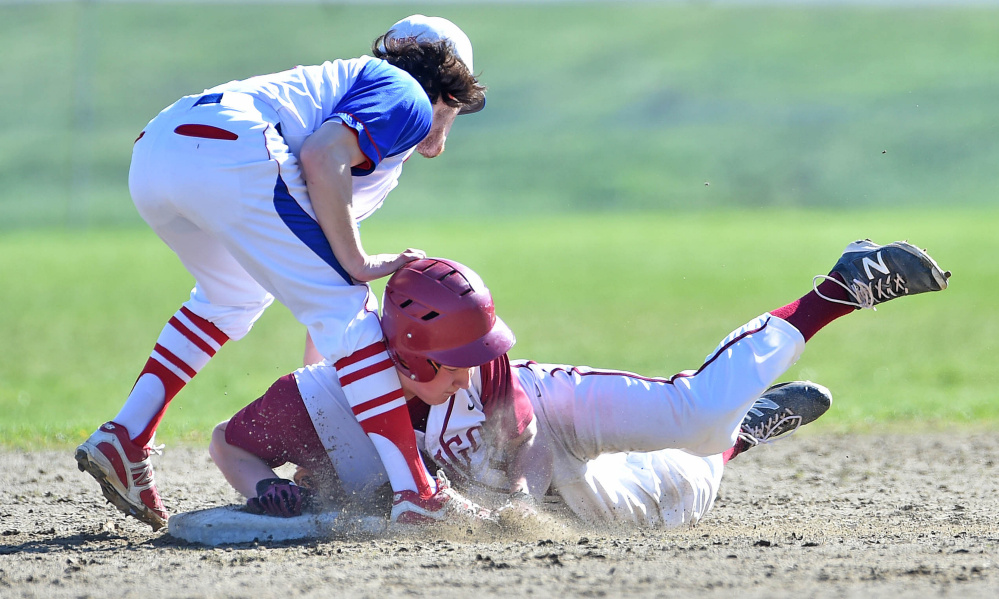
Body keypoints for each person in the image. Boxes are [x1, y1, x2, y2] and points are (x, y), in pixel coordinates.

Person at [206, 239, 950, 527]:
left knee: (690, 412)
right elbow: (230, 444)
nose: (475, 358)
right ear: (407, 354)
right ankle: (741, 440)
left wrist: (519, 499)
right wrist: (260, 486)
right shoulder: (327, 397)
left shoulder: (485, 360)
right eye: (457, 352)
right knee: (665, 504)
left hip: (547, 419)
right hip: (477, 473)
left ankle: (838, 289)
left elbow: (521, 438)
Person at [75, 15, 488, 531]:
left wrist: (327, 390)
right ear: (449, 86)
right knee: (347, 302)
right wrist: (359, 267)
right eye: (460, 102)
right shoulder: (405, 95)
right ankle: (418, 494)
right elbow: (321, 157)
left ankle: (127, 436)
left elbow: (314, 268)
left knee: (232, 296)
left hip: (158, 153)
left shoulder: (368, 118)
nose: (454, 117)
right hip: (228, 149)